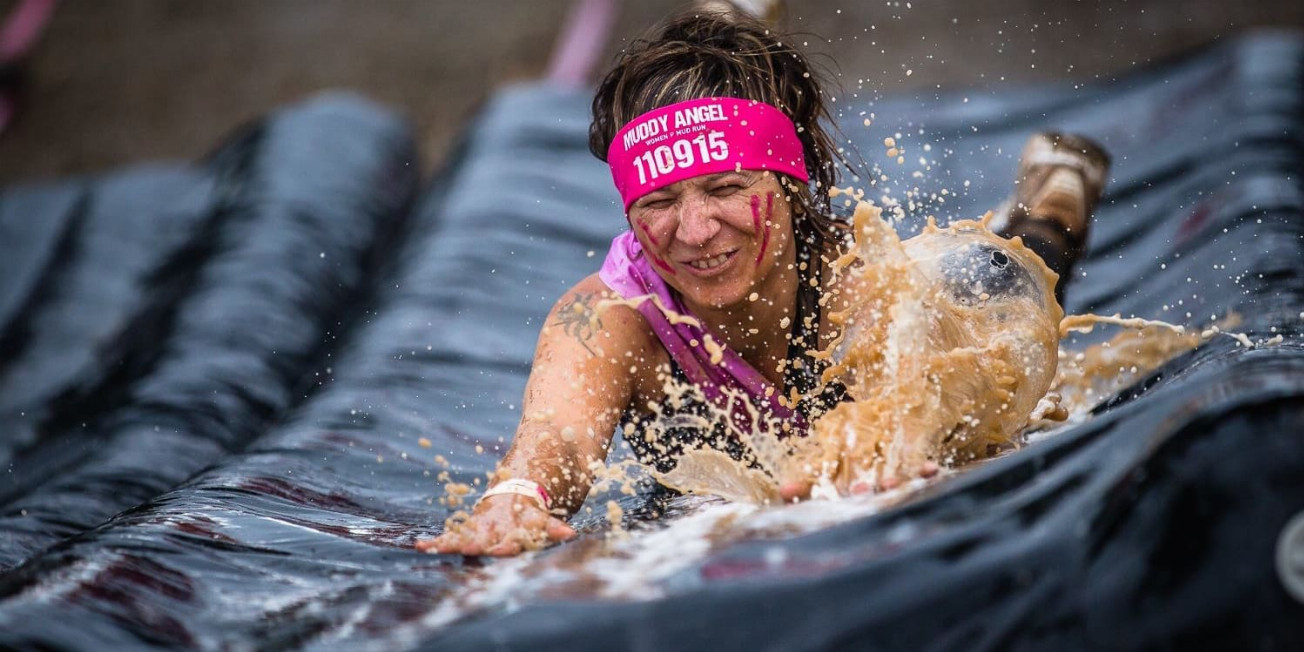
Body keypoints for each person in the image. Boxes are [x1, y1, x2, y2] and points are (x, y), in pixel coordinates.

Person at [418, 7, 1109, 557]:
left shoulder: (860, 285)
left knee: (1009, 287)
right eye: (657, 203)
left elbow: (900, 415)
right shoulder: (612, 315)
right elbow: (558, 436)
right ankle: (730, 27)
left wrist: (882, 450)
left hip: (961, 305)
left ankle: (1054, 197)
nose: (693, 232)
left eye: (724, 188)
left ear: (788, 181)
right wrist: (517, 496)